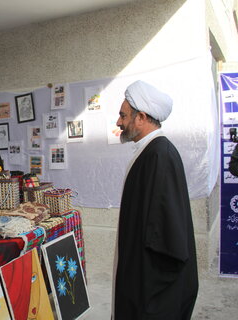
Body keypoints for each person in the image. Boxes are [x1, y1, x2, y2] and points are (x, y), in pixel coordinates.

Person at [113, 80, 198, 319]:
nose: (119, 122)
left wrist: (148, 294)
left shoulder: (159, 155)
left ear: (141, 117)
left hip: (150, 291)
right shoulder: (150, 151)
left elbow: (166, 238)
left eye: (123, 115)